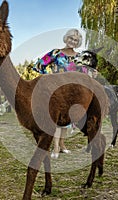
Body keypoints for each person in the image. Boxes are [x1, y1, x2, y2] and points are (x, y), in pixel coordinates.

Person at [33, 28, 83, 159]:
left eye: (76, 40)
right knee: (55, 120)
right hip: (56, 90)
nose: (72, 41)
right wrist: (49, 79)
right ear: (66, 38)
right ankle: (55, 147)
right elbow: (39, 65)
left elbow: (83, 73)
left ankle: (62, 144)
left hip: (71, 92)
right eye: (71, 38)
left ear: (78, 42)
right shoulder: (56, 53)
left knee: (66, 119)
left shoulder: (79, 57)